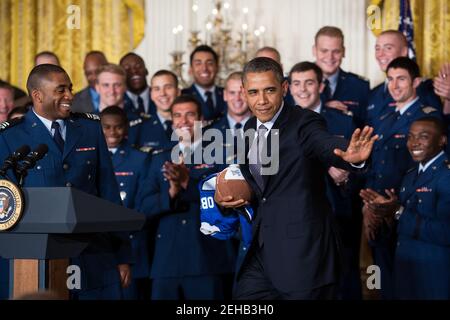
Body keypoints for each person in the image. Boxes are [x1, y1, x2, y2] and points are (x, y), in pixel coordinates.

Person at [215, 57, 377, 300]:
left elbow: (324, 143)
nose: (262, 100)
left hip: (305, 256)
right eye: (254, 92)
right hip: (261, 253)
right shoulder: (249, 127)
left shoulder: (304, 122)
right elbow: (259, 188)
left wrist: (351, 157)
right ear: (244, 94)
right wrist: (228, 198)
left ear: (284, 88)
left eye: (269, 90)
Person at [0, 64, 132, 300]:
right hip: (36, 261)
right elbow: (4, 208)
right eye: (61, 90)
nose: (70, 96)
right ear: (37, 95)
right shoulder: (10, 137)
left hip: (93, 256)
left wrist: (121, 255)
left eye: (70, 89)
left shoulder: (90, 129)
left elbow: (109, 194)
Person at [136, 95, 236, 300]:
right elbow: (143, 208)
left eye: (190, 115)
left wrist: (186, 184)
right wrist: (171, 193)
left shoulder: (221, 155)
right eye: (178, 116)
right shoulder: (158, 158)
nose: (183, 121)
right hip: (166, 263)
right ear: (172, 122)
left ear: (202, 120)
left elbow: (227, 200)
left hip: (207, 259)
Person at [363, 56, 442, 299]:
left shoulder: (427, 117)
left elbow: (429, 169)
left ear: (416, 82)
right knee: (378, 276)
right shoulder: (384, 118)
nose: (394, 86)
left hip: (408, 209)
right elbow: (374, 162)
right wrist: (369, 204)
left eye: (401, 79)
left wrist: (394, 206)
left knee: (408, 282)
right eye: (390, 80)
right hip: (378, 210)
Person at [289, 61, 362, 299]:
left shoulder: (343, 122)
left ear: (321, 86)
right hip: (295, 221)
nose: (302, 89)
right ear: (288, 88)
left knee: (344, 283)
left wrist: (345, 178)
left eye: (309, 82)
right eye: (296, 83)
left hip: (338, 217)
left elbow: (361, 171)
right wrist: (326, 164)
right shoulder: (276, 124)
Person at [360, 117, 450, 299]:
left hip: (434, 277)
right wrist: (381, 215)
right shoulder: (410, 175)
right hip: (405, 272)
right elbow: (399, 225)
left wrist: (398, 212)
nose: (414, 143)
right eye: (410, 137)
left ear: (442, 140)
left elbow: (445, 232)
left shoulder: (446, 176)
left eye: (423, 136)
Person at [100, 106, 152, 300]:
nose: (113, 132)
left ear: (127, 128)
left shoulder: (140, 159)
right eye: (106, 127)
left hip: (131, 243)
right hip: (98, 244)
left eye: (118, 127)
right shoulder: (88, 156)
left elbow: (142, 204)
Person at [368, 30, 442, 127]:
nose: (380, 54)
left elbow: (436, 127)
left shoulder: (424, 88)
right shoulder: (374, 92)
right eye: (377, 49)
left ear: (404, 51)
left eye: (388, 48)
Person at [312, 26, 370, 128]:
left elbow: (366, 127)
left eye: (336, 51)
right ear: (314, 50)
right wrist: (321, 107)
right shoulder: (293, 83)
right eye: (324, 51)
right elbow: (276, 124)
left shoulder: (360, 86)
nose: (330, 57)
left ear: (343, 51)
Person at [129, 70, 180, 151]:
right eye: (157, 89)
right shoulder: (138, 128)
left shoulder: (193, 126)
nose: (162, 93)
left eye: (168, 87)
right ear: (151, 94)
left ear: (178, 92)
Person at [182, 45, 227, 121]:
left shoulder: (229, 94)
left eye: (209, 63)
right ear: (191, 69)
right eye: (198, 63)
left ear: (217, 68)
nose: (204, 68)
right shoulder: (183, 96)